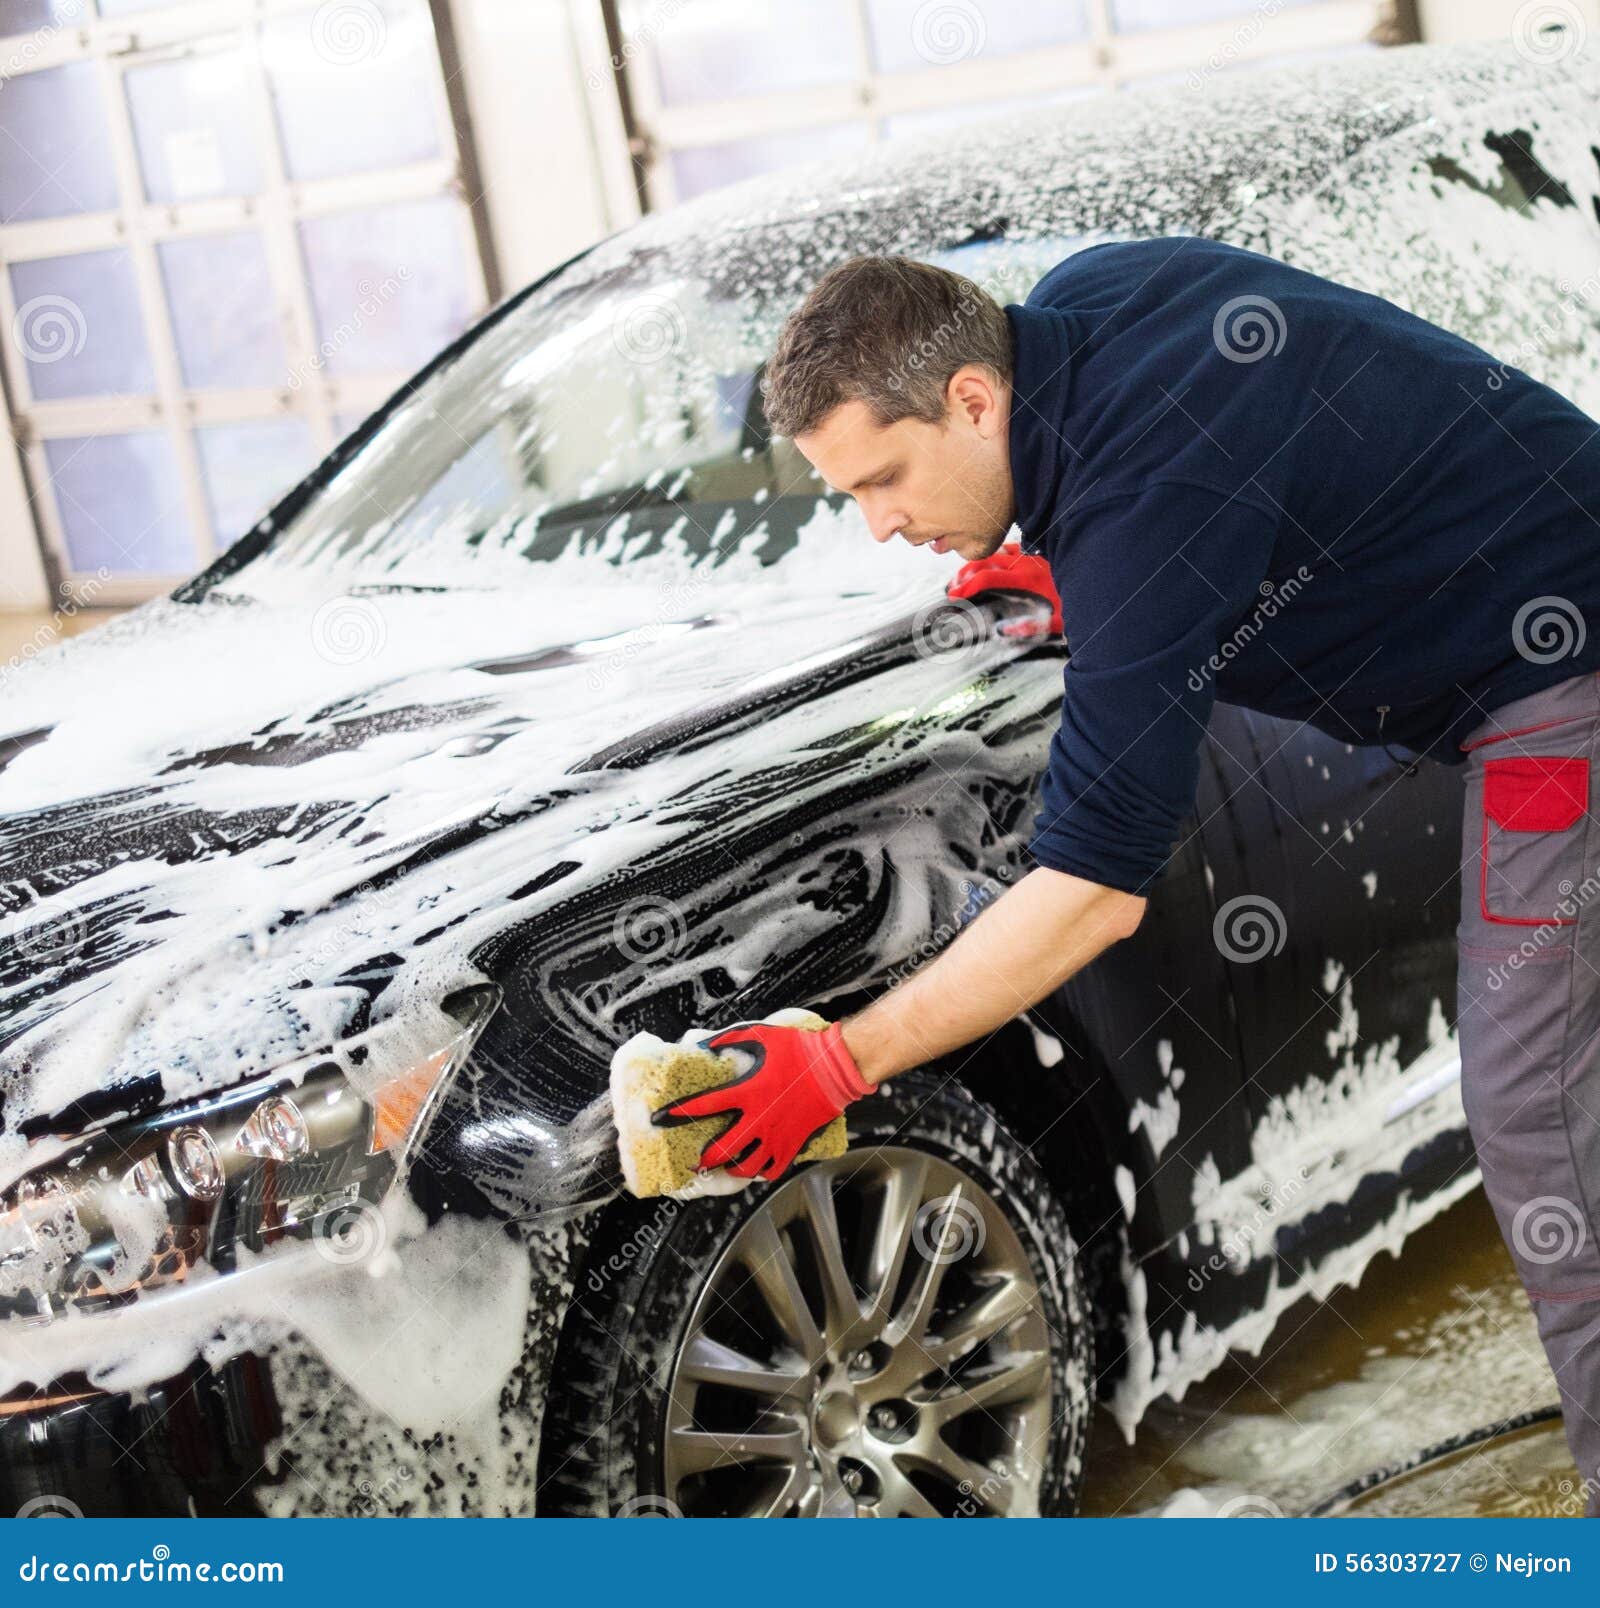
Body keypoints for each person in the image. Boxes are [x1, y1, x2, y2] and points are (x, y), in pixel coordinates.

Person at [657, 240, 1600, 1509]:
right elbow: (1244, 450)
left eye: (884, 478)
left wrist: (840, 1061)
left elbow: (1095, 890)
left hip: (1560, 683)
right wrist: (1092, 582)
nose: (878, 524)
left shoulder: (1145, 506)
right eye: (849, 494)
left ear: (972, 400)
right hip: (1527, 607)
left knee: (1537, 1111)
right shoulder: (1084, 305)